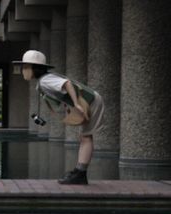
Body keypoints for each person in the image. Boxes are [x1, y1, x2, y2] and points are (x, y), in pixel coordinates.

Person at [13, 50, 106, 185]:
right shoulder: (45, 79)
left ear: (35, 69)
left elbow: (67, 84)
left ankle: (80, 174)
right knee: (84, 137)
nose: (23, 70)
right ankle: (79, 171)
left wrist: (75, 104)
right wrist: (70, 105)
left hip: (91, 103)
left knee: (86, 137)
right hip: (90, 101)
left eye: (26, 67)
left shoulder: (45, 81)